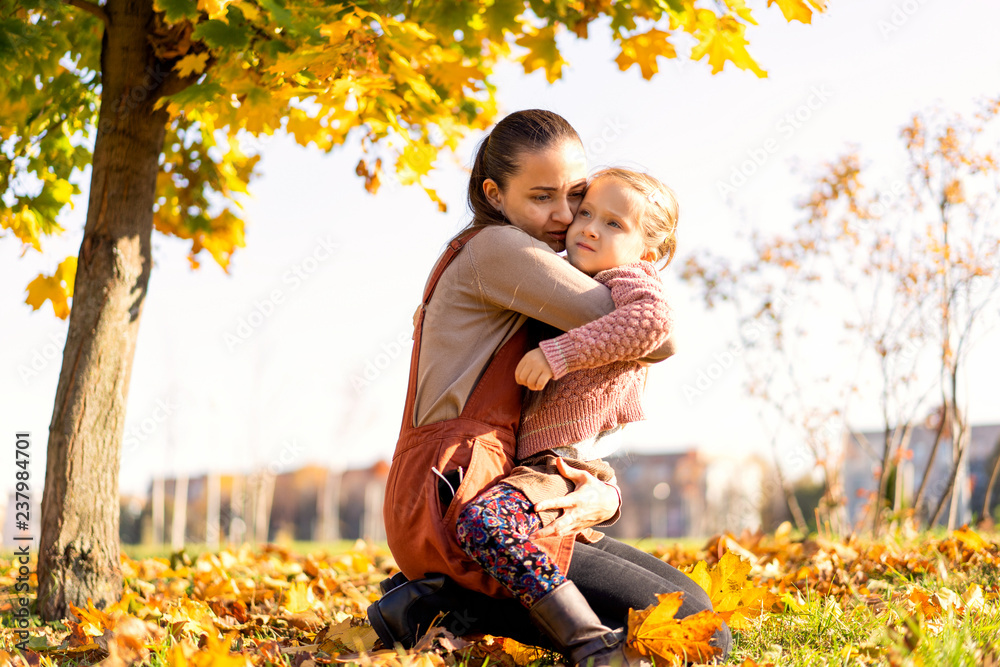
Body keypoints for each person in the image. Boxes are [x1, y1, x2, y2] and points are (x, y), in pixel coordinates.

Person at [367, 110, 730, 666]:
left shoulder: (507, 254)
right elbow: (659, 335)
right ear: (495, 192)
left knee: (694, 611)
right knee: (693, 630)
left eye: (575, 196)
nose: (567, 218)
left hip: (472, 486)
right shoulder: (501, 250)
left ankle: (434, 607)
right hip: (462, 494)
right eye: (543, 198)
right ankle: (438, 609)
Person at [454, 168, 728, 665]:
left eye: (613, 224)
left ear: (647, 250)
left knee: (696, 616)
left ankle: (454, 603)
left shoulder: (629, 279)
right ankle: (577, 639)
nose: (589, 228)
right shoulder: (568, 275)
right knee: (488, 523)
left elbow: (654, 322)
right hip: (543, 465)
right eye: (585, 213)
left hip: (560, 462)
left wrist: (562, 354)